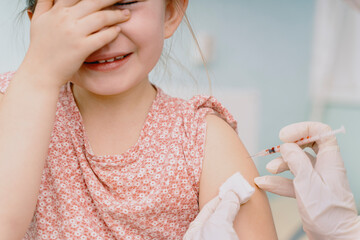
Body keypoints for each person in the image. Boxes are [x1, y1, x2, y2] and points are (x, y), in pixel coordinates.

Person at [0, 0, 278, 239]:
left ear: (170, 12)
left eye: (123, 3)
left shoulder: (203, 141)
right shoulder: (10, 104)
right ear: (38, 25)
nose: (102, 34)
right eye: (77, 6)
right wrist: (39, 76)